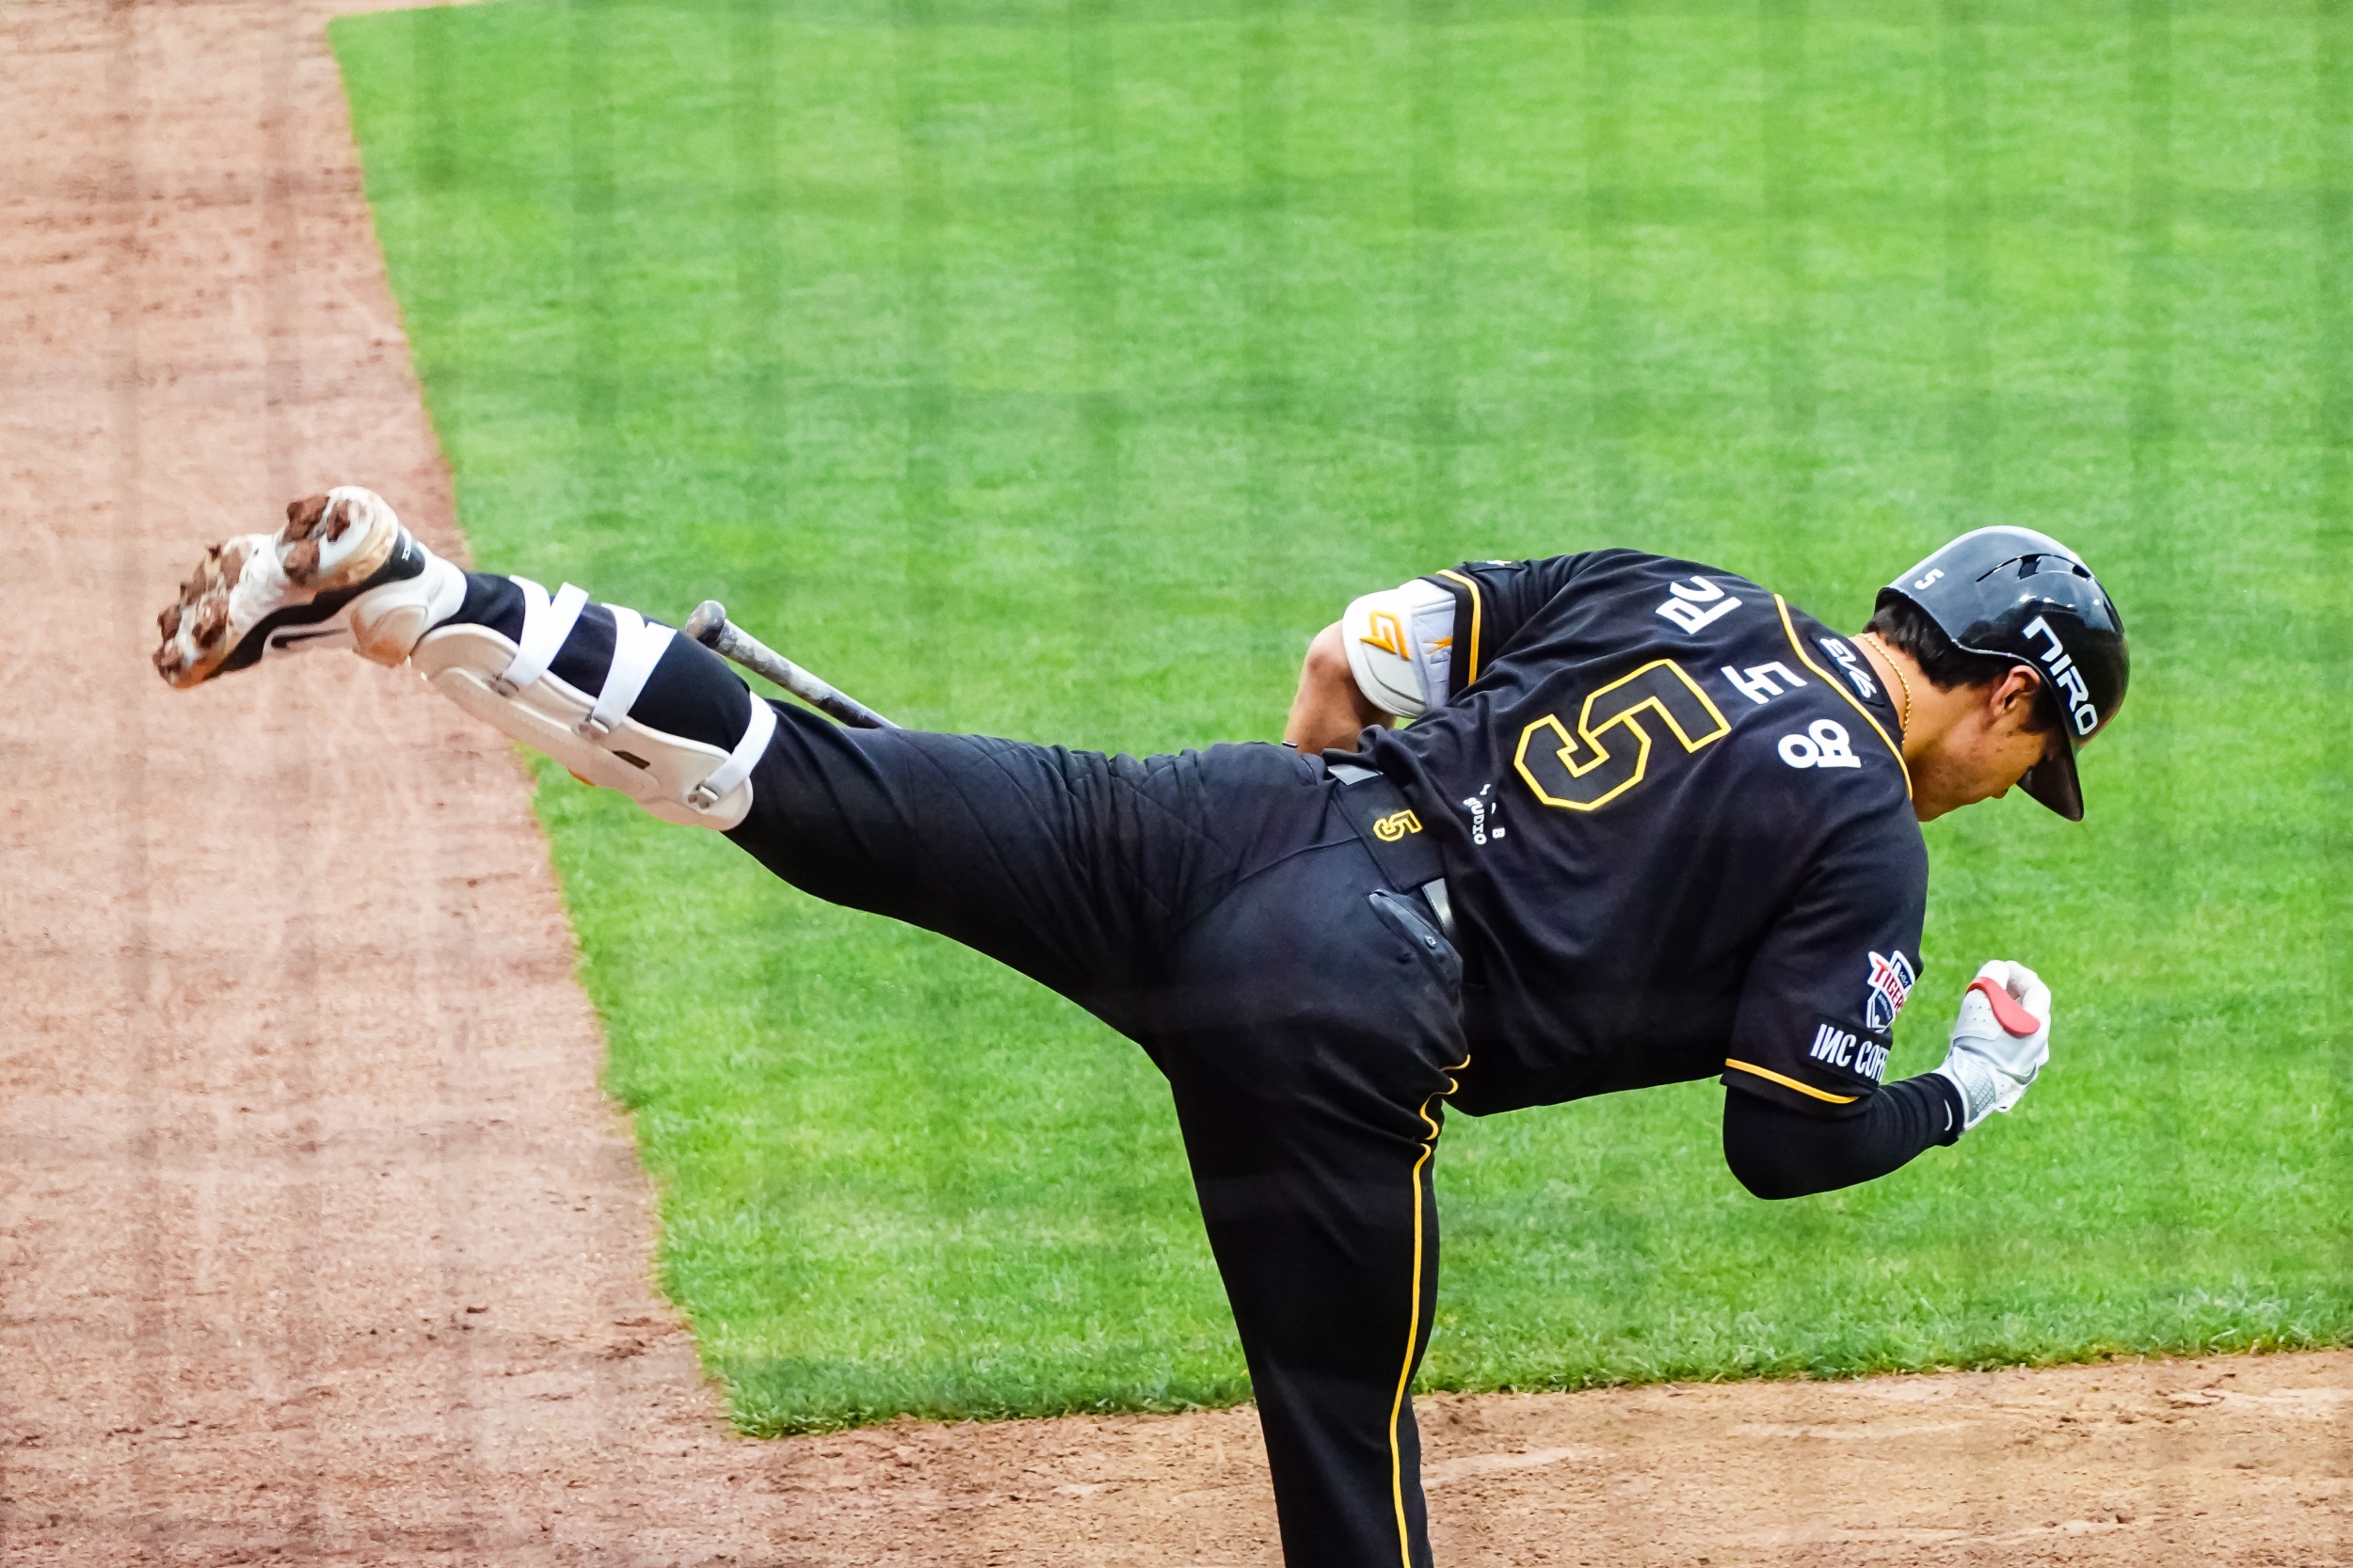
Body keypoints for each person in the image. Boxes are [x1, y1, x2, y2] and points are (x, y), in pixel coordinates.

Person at [153, 489, 2128, 1568]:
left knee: (806, 787)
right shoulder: (1866, 840)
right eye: (2026, 762)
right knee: (1344, 1456)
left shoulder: (1679, 586)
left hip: (1225, 826)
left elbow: (1353, 652)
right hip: (1351, 1020)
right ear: (2012, 700)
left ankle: (423, 590)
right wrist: (1964, 1087)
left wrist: (1269, 884)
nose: (1997, 791)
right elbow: (1786, 1138)